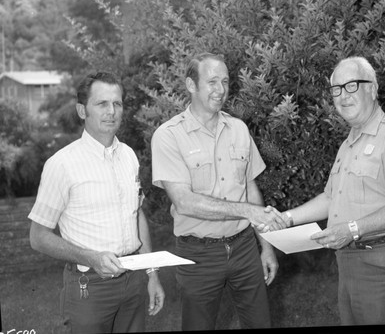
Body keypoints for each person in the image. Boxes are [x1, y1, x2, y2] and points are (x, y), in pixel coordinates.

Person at [282, 56, 385, 325]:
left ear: (372, 88)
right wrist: (286, 218)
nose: (342, 96)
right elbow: (330, 198)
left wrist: (352, 229)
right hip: (349, 266)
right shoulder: (349, 143)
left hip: (384, 268)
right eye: (336, 89)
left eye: (351, 86)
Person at [151, 52, 285, 331]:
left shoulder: (238, 129)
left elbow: (250, 188)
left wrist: (267, 248)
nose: (221, 90)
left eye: (225, 81)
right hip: (198, 254)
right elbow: (184, 202)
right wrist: (246, 211)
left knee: (260, 323)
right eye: (212, 81)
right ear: (191, 85)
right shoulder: (168, 135)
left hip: (244, 248)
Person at [28, 71, 165, 333]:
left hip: (133, 279)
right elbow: (38, 236)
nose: (111, 111)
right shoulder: (62, 164)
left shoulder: (128, 156)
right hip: (89, 287)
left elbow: (137, 216)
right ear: (82, 110)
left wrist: (151, 274)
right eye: (102, 103)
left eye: (117, 103)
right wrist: (89, 256)